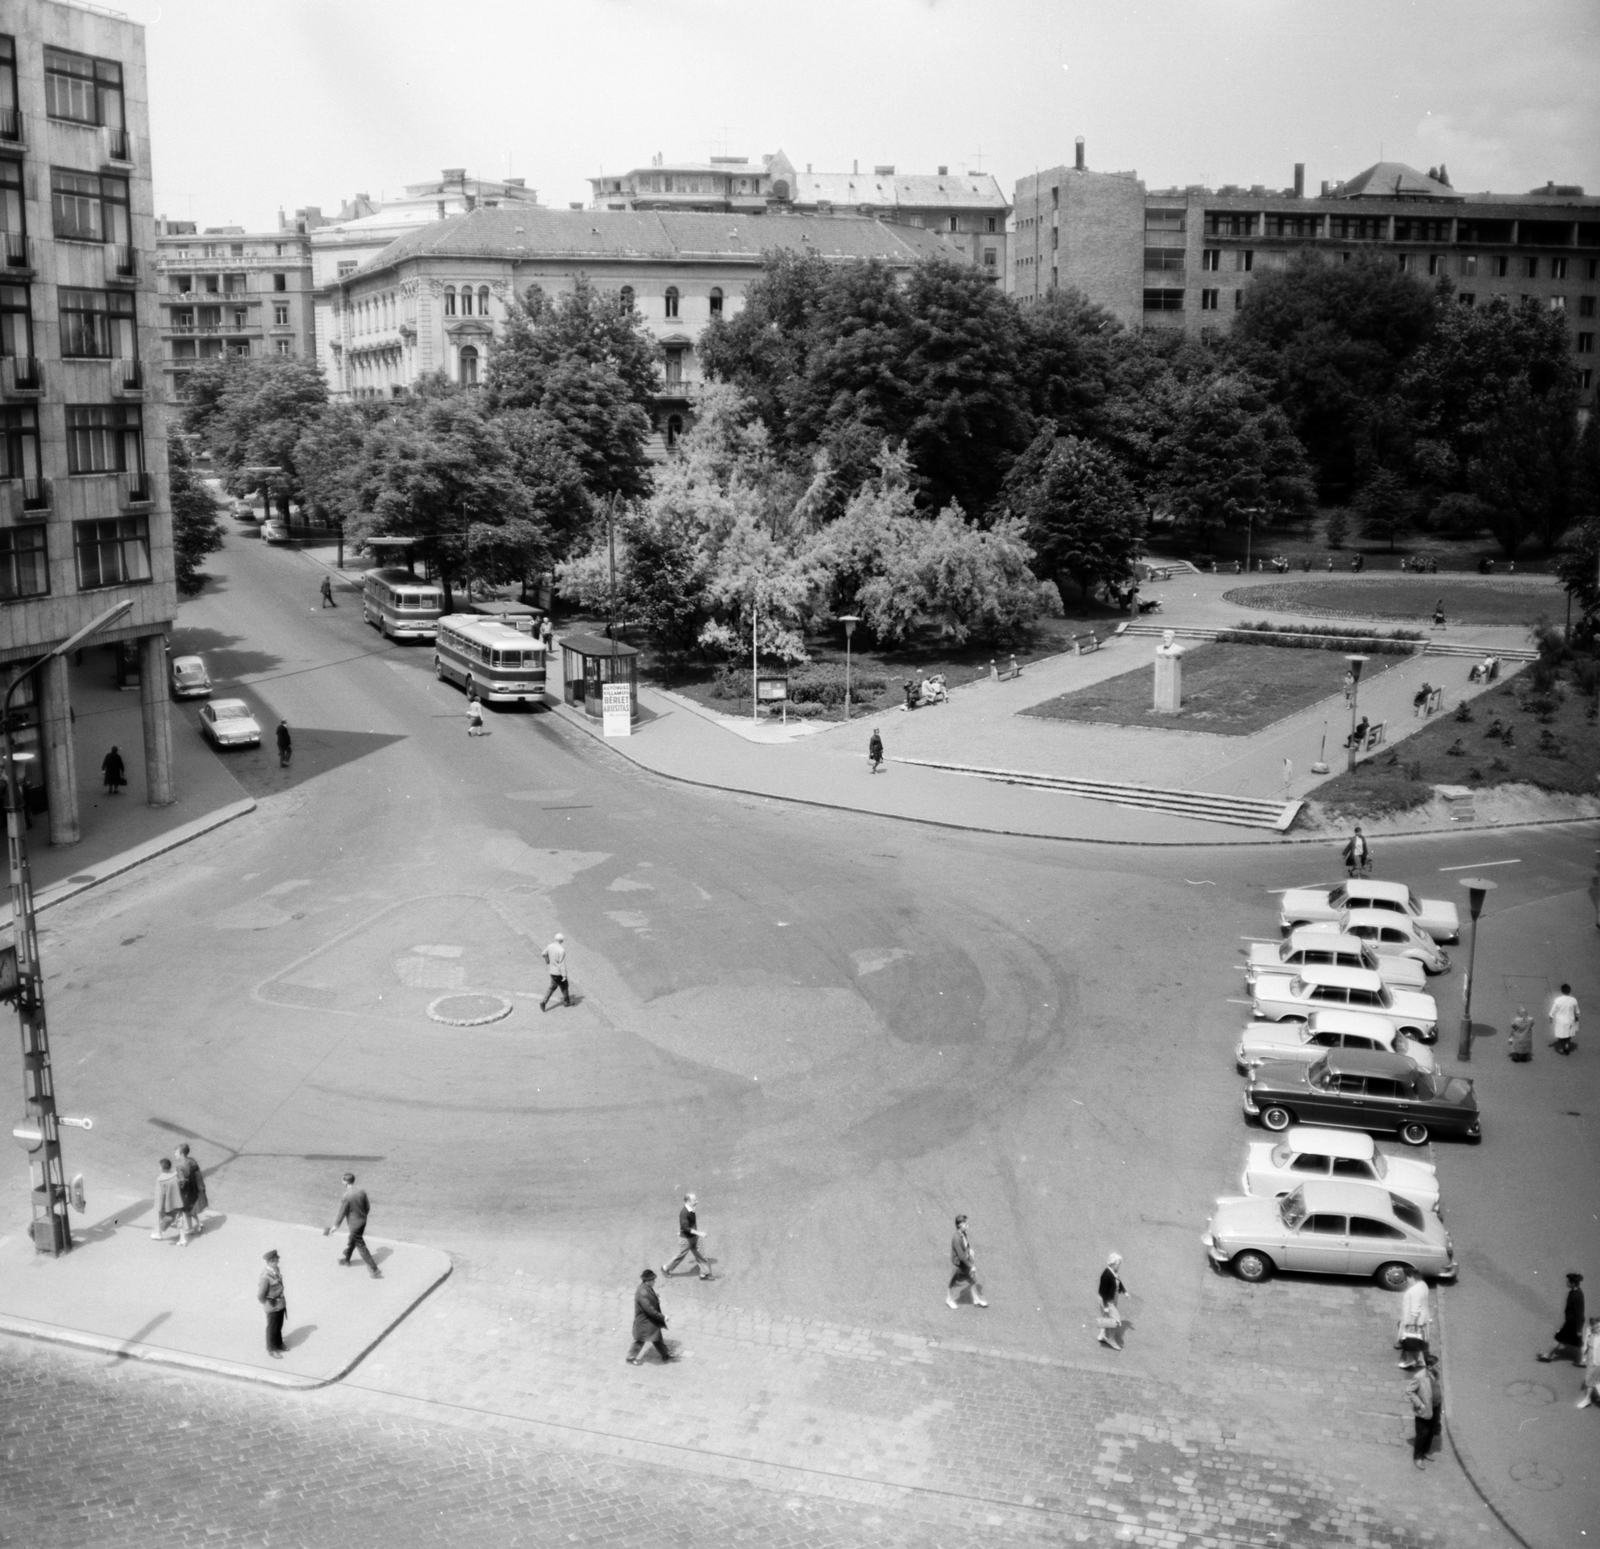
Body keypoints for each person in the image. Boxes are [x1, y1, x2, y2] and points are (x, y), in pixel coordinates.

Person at [324, 1171, 381, 1277]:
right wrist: (363, 1215)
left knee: (360, 1245)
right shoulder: (361, 1191)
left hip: (354, 1225)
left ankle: (374, 1269)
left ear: (345, 1182)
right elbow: (367, 1206)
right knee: (353, 1240)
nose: (342, 1181)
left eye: (342, 1180)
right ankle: (347, 1259)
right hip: (362, 1222)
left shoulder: (347, 1196)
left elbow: (342, 1212)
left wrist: (335, 1226)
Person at [626, 1268, 674, 1364]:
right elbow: (650, 1311)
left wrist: (656, 1299)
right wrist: (663, 1317)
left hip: (648, 1320)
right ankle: (630, 1358)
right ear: (648, 1281)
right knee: (640, 1339)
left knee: (656, 1336)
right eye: (653, 1280)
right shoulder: (643, 1292)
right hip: (645, 1321)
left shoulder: (645, 1287)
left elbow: (650, 1300)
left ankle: (666, 1355)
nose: (654, 1282)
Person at [1537, 1272, 1586, 1363]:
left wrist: (1578, 1329)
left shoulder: (1577, 1296)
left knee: (1559, 1338)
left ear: (1573, 1283)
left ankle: (1548, 1355)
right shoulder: (1574, 1292)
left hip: (1572, 1325)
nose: (1566, 1283)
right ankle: (1579, 1361)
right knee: (1577, 1343)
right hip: (1571, 1324)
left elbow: (1580, 1315)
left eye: (1568, 1282)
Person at [662, 1192, 712, 1280]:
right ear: (688, 1202)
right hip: (686, 1239)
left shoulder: (691, 1208)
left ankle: (704, 1274)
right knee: (680, 1255)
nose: (697, 1201)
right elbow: (685, 1227)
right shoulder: (684, 1213)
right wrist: (699, 1233)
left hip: (694, 1237)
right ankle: (666, 1268)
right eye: (694, 1200)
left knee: (701, 1255)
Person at [1406, 1356, 1440, 1469]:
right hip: (1425, 1410)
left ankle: (1425, 1452)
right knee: (1422, 1435)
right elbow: (1409, 1391)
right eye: (1436, 1365)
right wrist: (1420, 1405)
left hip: (1436, 1408)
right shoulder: (1419, 1377)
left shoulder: (1435, 1374)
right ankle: (1418, 1458)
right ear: (1429, 1367)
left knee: (1431, 1432)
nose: (1439, 1367)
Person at [946, 1213, 987, 1309]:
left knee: (972, 1280)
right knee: (953, 1283)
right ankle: (949, 1300)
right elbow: (961, 1256)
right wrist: (971, 1265)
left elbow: (966, 1244)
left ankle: (976, 1299)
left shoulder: (963, 1233)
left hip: (965, 1263)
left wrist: (969, 1249)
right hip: (958, 1265)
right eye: (965, 1224)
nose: (967, 1225)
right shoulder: (956, 1238)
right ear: (960, 1225)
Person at [1396, 1268, 1431, 1369]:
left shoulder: (1415, 1290)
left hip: (1413, 1320)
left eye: (1406, 1278)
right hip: (1422, 1319)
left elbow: (1415, 1309)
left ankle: (1410, 1361)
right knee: (1417, 1341)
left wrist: (1412, 1324)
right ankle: (1420, 1361)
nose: (1406, 1281)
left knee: (1409, 1340)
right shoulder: (1423, 1285)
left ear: (1411, 1277)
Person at [258, 1249, 288, 1358]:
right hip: (272, 1305)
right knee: (272, 1328)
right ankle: (271, 1349)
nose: (276, 1262)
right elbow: (261, 1295)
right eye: (273, 1261)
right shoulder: (265, 1276)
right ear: (268, 1262)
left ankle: (279, 1343)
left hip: (280, 1303)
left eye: (277, 1259)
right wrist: (267, 1302)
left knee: (279, 1326)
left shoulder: (276, 1269)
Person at [173, 1143, 206, 1239]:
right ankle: (199, 1223)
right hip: (194, 1188)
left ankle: (190, 1228)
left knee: (187, 1211)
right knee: (192, 1208)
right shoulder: (192, 1160)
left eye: (176, 1153)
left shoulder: (179, 1166)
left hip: (186, 1192)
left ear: (182, 1154)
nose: (175, 1154)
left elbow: (182, 1181)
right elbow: (197, 1174)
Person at [152, 1156, 186, 1246]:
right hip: (178, 1201)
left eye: (159, 1166)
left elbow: (160, 1195)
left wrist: (159, 1208)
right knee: (179, 1219)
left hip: (167, 1204)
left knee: (161, 1216)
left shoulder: (160, 1180)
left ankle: (159, 1233)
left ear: (162, 1168)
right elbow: (182, 1183)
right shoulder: (175, 1175)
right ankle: (183, 1238)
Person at [1097, 1252, 1128, 1350]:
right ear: (1112, 1264)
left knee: (1106, 1317)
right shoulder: (1106, 1275)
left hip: (1113, 1298)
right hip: (1107, 1300)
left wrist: (1124, 1291)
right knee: (1116, 1320)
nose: (1119, 1266)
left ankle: (1102, 1335)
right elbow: (1102, 1292)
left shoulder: (1114, 1272)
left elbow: (1118, 1281)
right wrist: (1106, 1306)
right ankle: (1111, 1339)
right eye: (1118, 1264)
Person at [539, 932, 570, 1011]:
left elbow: (543, 954)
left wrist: (547, 960)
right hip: (559, 973)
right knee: (565, 986)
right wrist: (564, 975)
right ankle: (566, 1002)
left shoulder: (550, 946)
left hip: (552, 972)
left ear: (555, 939)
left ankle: (544, 1001)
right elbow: (561, 964)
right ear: (562, 941)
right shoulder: (561, 950)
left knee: (552, 987)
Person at [1549, 983, 1579, 1056]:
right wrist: (1577, 1019)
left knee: (1561, 1035)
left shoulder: (1558, 1000)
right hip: (1570, 1020)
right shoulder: (1573, 1000)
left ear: (1561, 991)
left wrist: (1551, 1017)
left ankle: (1562, 1048)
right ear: (1569, 991)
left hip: (1560, 1021)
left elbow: (1553, 1010)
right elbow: (1577, 1011)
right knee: (1568, 1035)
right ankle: (1567, 1046)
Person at [1577, 1318, 1600, 1408]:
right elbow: (1586, 1345)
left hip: (1598, 1362)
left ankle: (1587, 1398)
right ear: (1593, 1327)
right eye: (1597, 1327)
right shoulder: (1590, 1332)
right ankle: (1588, 1398)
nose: (1599, 1328)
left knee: (1591, 1379)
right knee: (1591, 1379)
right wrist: (1584, 1357)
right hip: (1592, 1360)